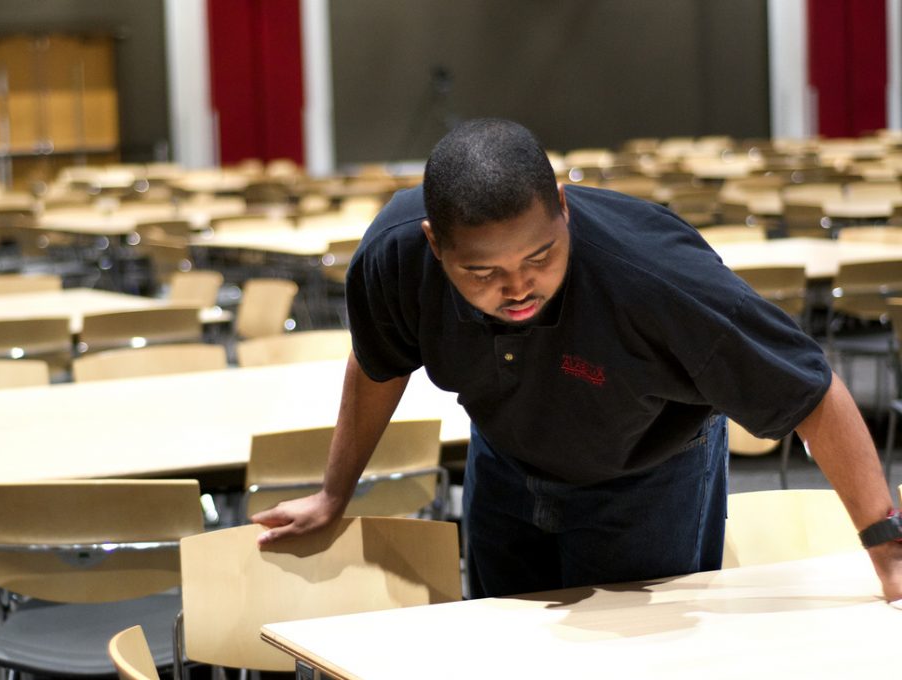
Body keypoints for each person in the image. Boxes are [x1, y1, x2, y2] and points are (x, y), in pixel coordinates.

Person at [252, 118, 902, 603]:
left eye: (539, 258)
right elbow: (379, 366)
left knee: (634, 659)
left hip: (649, 473)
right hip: (506, 461)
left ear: (562, 207)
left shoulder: (654, 278)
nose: (516, 288)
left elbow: (812, 392)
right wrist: (334, 492)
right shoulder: (394, 257)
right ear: (434, 244)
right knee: (508, 644)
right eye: (482, 271)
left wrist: (885, 548)